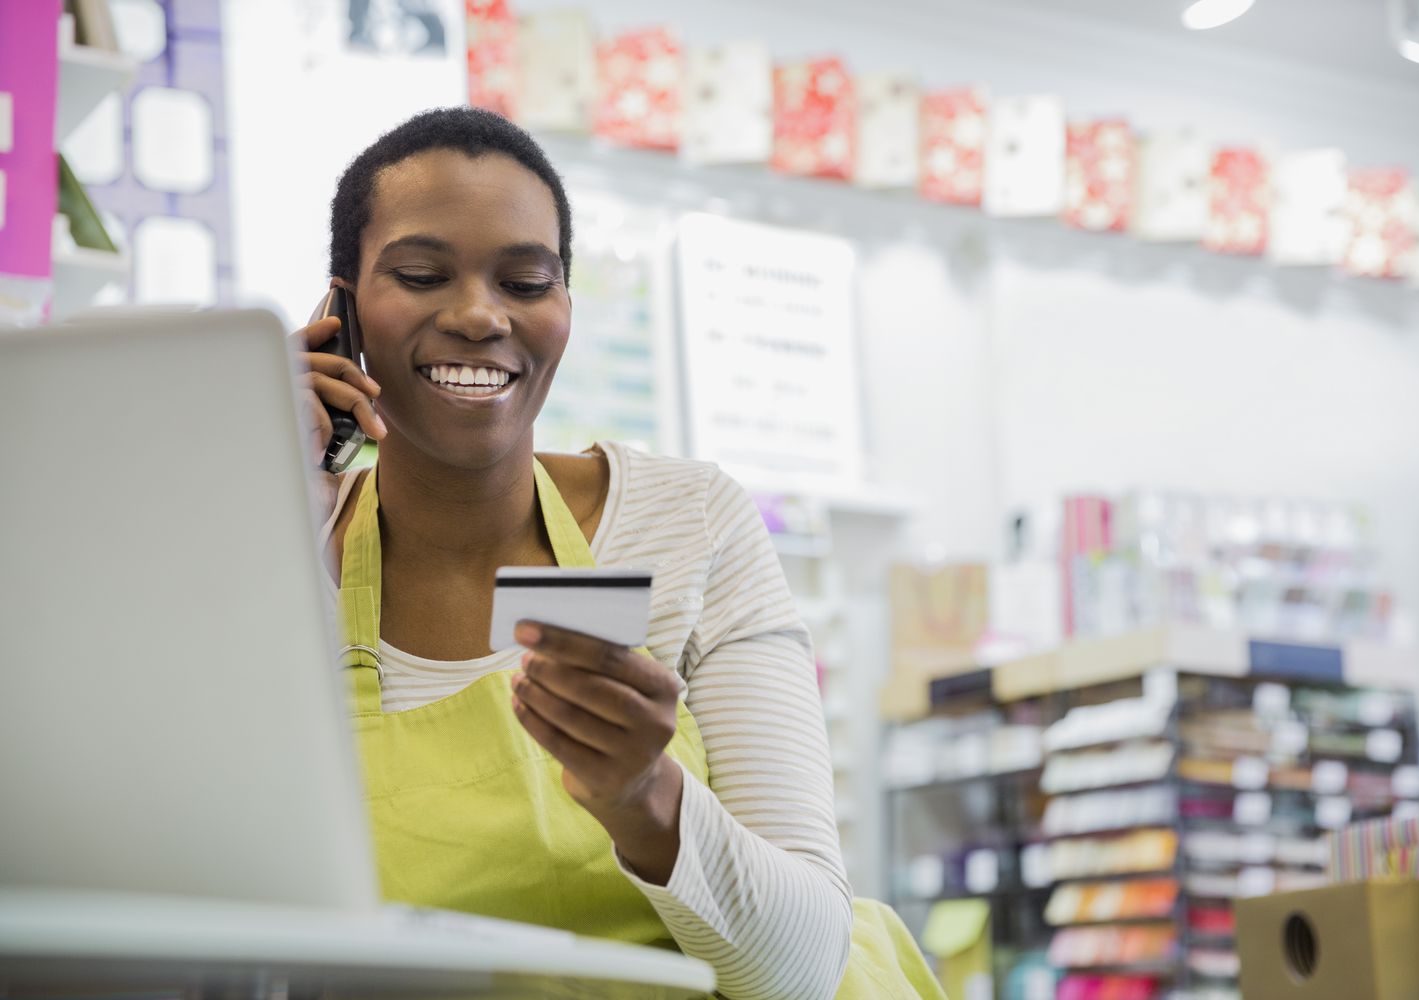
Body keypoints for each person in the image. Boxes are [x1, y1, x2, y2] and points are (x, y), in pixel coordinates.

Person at [294, 107, 940, 1000]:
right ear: (341, 313)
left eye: (527, 282)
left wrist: (646, 799)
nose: (481, 316)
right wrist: (258, 494)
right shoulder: (281, 551)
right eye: (419, 274)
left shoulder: (687, 522)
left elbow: (802, 969)